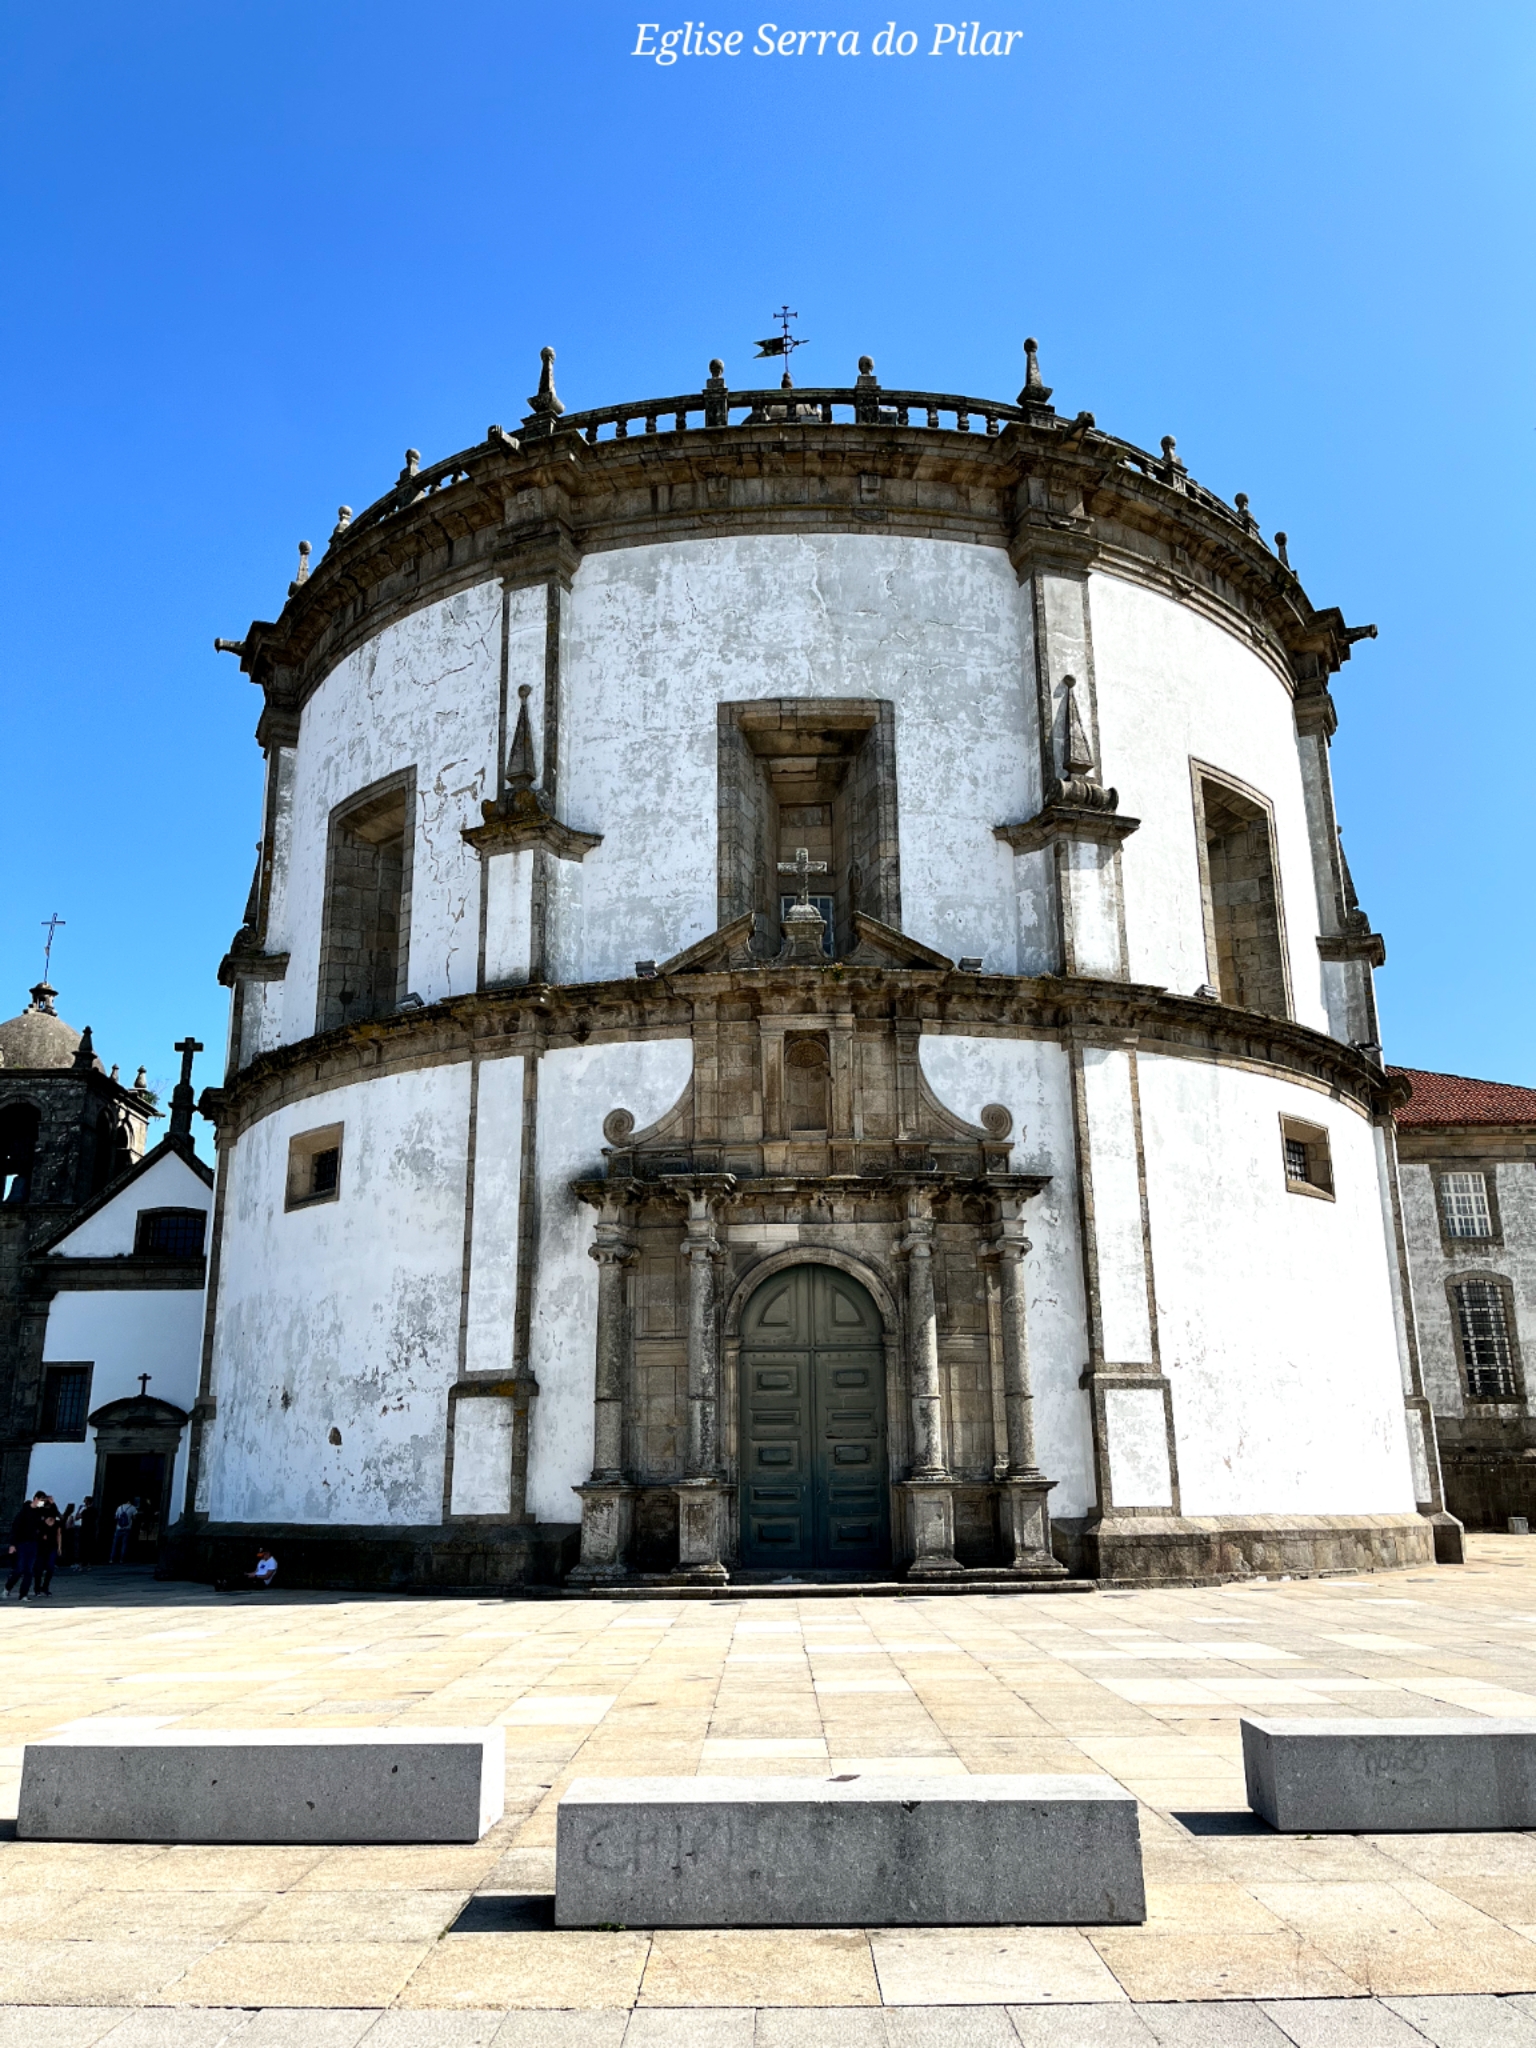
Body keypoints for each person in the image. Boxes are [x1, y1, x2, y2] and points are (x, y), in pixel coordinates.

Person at [4, 1493, 47, 1600]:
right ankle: (7, 1588)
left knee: (29, 1570)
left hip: (33, 1543)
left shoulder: (39, 1513)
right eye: (41, 1500)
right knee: (19, 1569)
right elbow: (15, 1529)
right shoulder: (23, 1512)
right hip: (22, 1543)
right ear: (35, 1499)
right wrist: (13, 1544)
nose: (42, 1503)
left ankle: (23, 1594)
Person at [33, 1500, 62, 1597]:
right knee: (39, 1569)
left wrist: (59, 1547)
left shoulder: (57, 1523)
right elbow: (37, 1533)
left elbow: (59, 1535)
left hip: (52, 1547)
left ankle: (45, 1587)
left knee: (50, 1568)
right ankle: (37, 1588)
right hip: (42, 1547)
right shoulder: (42, 1523)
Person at [108, 1497, 137, 1565]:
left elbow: (116, 1517)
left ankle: (112, 1558)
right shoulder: (133, 1508)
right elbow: (135, 1517)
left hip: (119, 1527)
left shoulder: (119, 1507)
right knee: (124, 1544)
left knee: (115, 1544)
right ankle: (122, 1559)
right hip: (127, 1527)